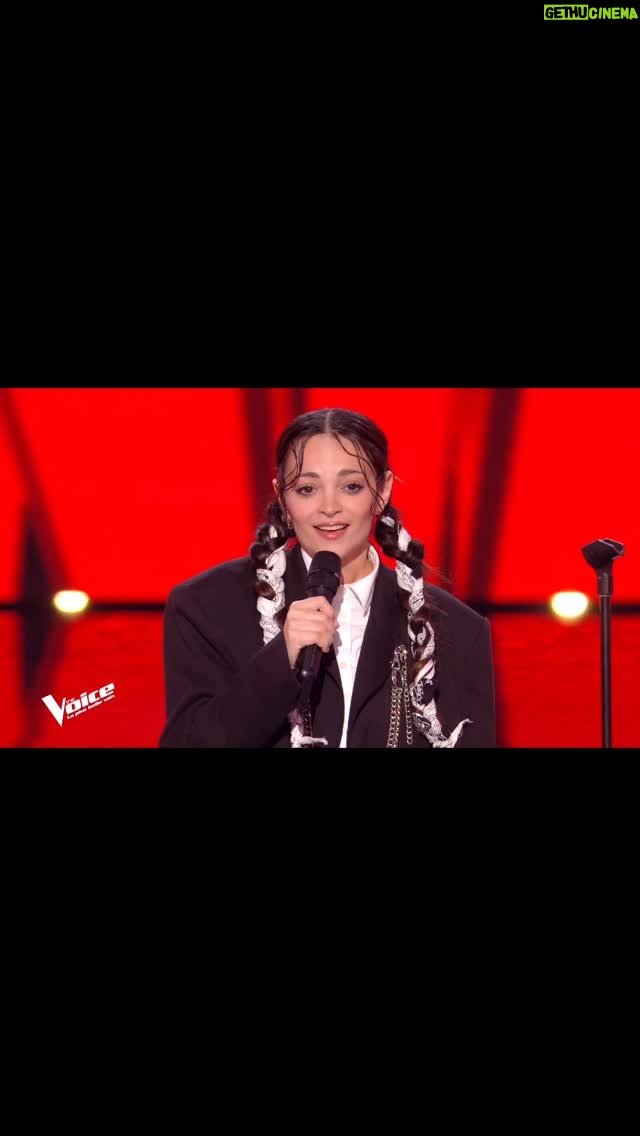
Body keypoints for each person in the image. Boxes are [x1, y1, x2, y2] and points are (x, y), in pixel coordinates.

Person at [159, 407, 496, 748]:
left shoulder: (457, 632)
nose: (330, 507)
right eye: (307, 489)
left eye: (351, 486)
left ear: (382, 491)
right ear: (282, 497)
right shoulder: (207, 607)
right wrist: (281, 657)